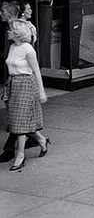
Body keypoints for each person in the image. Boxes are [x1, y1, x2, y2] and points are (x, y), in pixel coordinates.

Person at [4, 19, 49, 171]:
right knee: (18, 121)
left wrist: (41, 91)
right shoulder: (12, 47)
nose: (8, 31)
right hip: (13, 84)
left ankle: (20, 155)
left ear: (17, 33)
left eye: (10, 29)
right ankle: (41, 140)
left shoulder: (28, 49)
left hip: (26, 85)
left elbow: (36, 71)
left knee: (20, 121)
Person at [0, 3, 39, 163]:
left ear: (10, 13)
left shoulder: (21, 31)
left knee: (18, 117)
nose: (0, 13)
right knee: (19, 117)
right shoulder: (8, 30)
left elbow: (30, 55)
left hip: (22, 79)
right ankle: (39, 139)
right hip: (11, 78)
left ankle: (10, 149)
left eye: (2, 11)